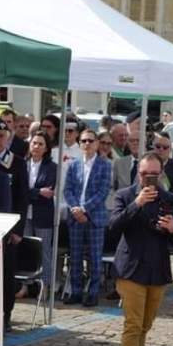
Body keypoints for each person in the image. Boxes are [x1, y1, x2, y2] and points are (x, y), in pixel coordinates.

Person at [109, 153, 173, 346]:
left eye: (154, 175)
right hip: (131, 268)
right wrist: (136, 204)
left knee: (145, 325)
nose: (149, 179)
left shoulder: (169, 199)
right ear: (137, 173)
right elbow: (114, 225)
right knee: (133, 324)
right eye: (144, 174)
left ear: (161, 174)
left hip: (157, 269)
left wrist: (172, 229)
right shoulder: (125, 195)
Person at [63, 129, 112, 306]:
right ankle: (76, 291)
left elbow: (103, 192)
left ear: (97, 143)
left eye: (90, 141)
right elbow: (67, 189)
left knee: (94, 258)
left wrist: (84, 209)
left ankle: (92, 292)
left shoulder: (105, 165)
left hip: (94, 217)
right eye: (83, 141)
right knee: (75, 257)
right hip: (75, 217)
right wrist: (75, 209)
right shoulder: (74, 164)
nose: (87, 144)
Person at [0, 118, 27, 331]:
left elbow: (22, 198)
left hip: (8, 229)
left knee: (6, 273)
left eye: (1, 136)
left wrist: (18, 230)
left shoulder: (17, 162)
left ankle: (6, 314)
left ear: (8, 138)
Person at [24, 131, 57, 290]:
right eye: (34, 143)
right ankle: (26, 285)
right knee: (26, 249)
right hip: (25, 214)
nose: (36, 146)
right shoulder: (22, 164)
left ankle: (44, 286)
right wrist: (37, 192)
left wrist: (29, 192)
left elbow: (48, 192)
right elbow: (19, 190)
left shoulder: (52, 167)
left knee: (44, 251)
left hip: (43, 214)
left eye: (40, 144)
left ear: (46, 148)